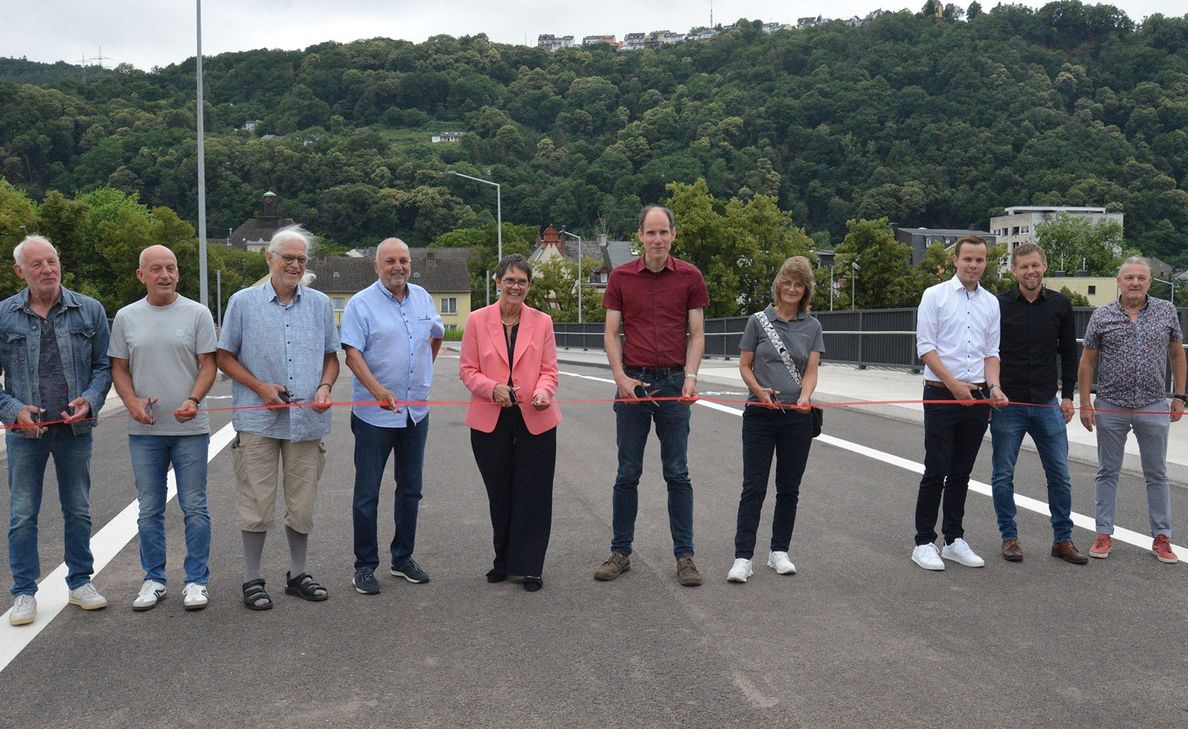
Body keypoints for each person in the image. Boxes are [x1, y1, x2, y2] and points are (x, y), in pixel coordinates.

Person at [217, 225, 340, 610]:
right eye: (288, 257)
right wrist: (260, 388)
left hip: (307, 422)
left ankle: (298, 574)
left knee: (302, 504)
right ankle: (252, 578)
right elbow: (223, 357)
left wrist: (324, 388)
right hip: (258, 422)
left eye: (301, 259)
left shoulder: (320, 304)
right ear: (270, 258)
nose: (295, 265)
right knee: (256, 503)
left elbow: (331, 358)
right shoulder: (242, 302)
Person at [594, 205, 709, 587]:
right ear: (640, 236)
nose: (657, 239)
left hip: (674, 383)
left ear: (673, 235)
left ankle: (685, 557)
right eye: (650, 233)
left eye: (663, 232)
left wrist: (691, 377)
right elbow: (611, 333)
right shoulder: (621, 277)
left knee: (677, 473)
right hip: (634, 382)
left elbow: (697, 333)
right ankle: (621, 552)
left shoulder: (691, 277)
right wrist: (620, 378)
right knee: (627, 472)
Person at [1, 235, 112, 626]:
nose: (47, 269)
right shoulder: (4, 315)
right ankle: (24, 592)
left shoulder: (89, 310)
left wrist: (90, 400)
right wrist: (13, 410)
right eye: (37, 264)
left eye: (52, 261)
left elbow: (104, 366)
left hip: (74, 430)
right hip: (24, 434)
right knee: (22, 514)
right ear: (20, 271)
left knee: (78, 509)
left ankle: (80, 582)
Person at [109, 245, 219, 611]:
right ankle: (153, 579)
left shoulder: (197, 313)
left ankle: (196, 581)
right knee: (149, 508)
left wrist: (194, 399)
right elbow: (119, 368)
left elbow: (209, 364)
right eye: (156, 269)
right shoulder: (126, 317)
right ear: (141, 275)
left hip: (191, 428)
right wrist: (131, 402)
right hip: (145, 430)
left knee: (195, 507)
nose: (165, 275)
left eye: (171, 268)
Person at [341, 238, 444, 595]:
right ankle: (365, 566)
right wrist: (377, 391)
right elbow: (352, 355)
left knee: (411, 490)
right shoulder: (360, 304)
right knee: (367, 494)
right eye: (390, 261)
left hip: (415, 413)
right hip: (374, 416)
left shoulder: (423, 298)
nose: (398, 267)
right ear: (376, 265)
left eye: (404, 260)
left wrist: (424, 373)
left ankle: (402, 558)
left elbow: (435, 336)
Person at [460, 255, 560, 592]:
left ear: (529, 286)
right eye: (510, 280)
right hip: (490, 419)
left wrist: (544, 392)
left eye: (522, 281)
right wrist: (492, 389)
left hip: (536, 417)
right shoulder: (476, 320)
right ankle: (502, 561)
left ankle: (530, 566)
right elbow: (467, 371)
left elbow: (549, 371)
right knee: (500, 493)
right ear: (497, 282)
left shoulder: (543, 322)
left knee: (534, 492)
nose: (515, 287)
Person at [1078, 257, 1185, 564]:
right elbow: (1087, 361)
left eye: (1141, 278)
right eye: (1129, 278)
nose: (1135, 282)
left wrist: (1180, 396)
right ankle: (1103, 533)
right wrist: (1085, 402)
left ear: (1149, 282)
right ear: (1119, 282)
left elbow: (1177, 355)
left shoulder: (1166, 311)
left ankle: (1162, 537)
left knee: (1157, 473)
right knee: (1107, 471)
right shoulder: (1102, 315)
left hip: (1153, 404)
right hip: (1111, 404)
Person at [912, 235, 1008, 571]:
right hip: (941, 393)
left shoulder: (991, 303)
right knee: (936, 468)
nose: (973, 265)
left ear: (986, 263)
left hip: (977, 397)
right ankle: (924, 542)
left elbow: (991, 353)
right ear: (955, 260)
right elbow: (925, 348)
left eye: (979, 260)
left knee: (962, 472)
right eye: (967, 259)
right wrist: (953, 386)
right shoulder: (934, 296)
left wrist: (994, 387)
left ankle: (953, 539)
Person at [728, 256, 824, 583]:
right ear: (778, 284)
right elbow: (744, 365)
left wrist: (806, 396)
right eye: (787, 282)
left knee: (789, 488)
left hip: (796, 417)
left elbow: (811, 370)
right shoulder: (758, 321)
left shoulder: (813, 326)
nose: (792, 289)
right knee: (753, 487)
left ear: (806, 290)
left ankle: (779, 551)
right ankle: (743, 557)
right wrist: (758, 390)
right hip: (759, 414)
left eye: (799, 285)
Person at [990, 243, 1087, 565]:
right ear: (1014, 270)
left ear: (1044, 266)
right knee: (1002, 475)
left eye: (1035, 265)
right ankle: (1009, 537)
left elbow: (1069, 354)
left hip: (1047, 404)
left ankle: (1063, 539)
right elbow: (987, 352)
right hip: (1008, 405)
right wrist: (991, 389)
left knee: (1060, 475)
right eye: (1024, 266)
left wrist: (1068, 396)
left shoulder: (1061, 304)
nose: (1030, 271)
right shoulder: (998, 305)